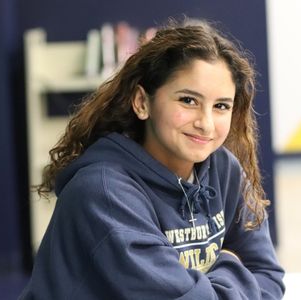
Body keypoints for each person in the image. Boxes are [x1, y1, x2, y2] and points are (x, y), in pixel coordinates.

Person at [20, 17, 285, 299]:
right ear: (142, 102)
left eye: (221, 106)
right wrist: (230, 262)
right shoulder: (103, 192)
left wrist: (208, 286)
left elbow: (269, 279)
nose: (206, 123)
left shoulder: (224, 170)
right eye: (188, 100)